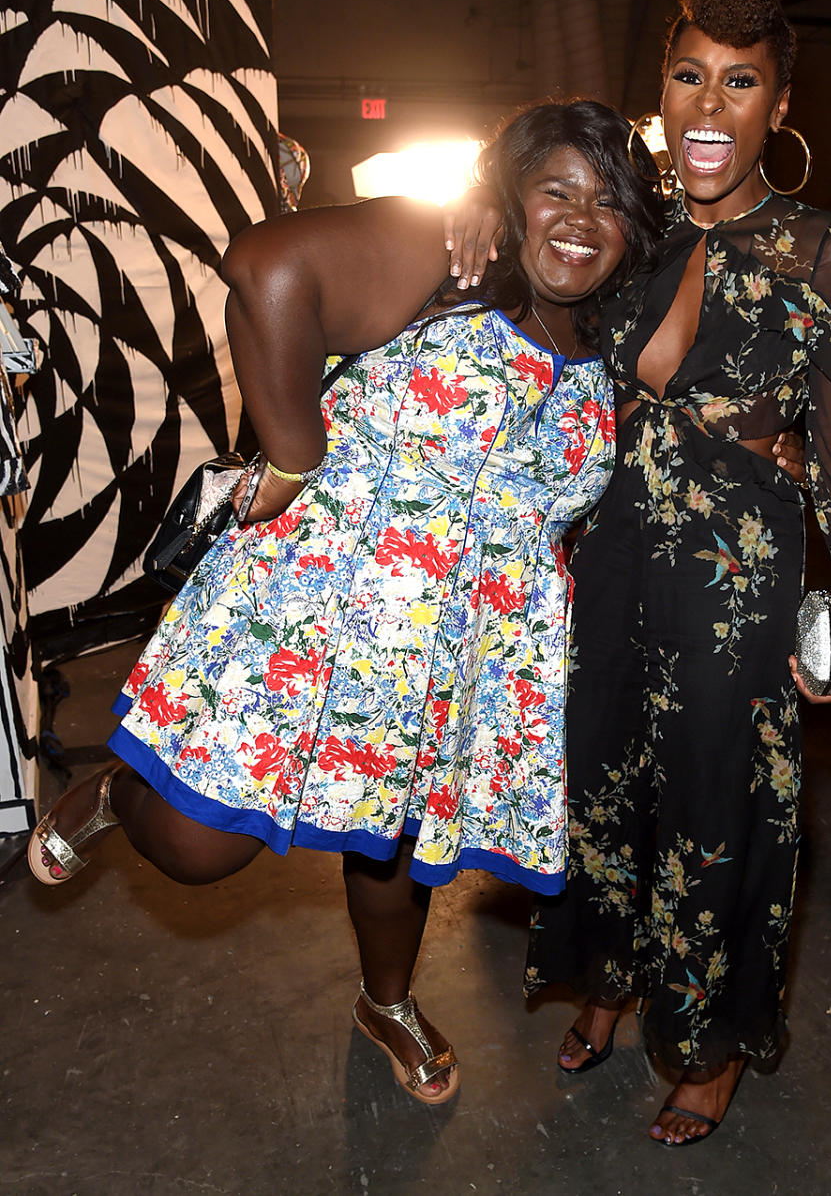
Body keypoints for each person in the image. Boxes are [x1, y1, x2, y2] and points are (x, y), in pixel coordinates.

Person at [26, 100, 665, 1104]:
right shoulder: (450, 263)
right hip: (319, 612)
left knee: (396, 852)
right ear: (511, 195)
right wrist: (292, 449)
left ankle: (387, 1002)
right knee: (197, 847)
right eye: (557, 189)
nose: (581, 217)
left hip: (455, 653)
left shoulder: (609, 332)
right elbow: (266, 267)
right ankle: (115, 793)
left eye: (610, 202)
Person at [449, 0, 831, 1146]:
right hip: (603, 564)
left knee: (718, 809)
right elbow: (538, 263)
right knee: (597, 787)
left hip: (735, 584)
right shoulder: (631, 229)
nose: (713, 107)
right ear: (662, 86)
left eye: (742, 81)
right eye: (692, 76)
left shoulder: (829, 253)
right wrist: (468, 207)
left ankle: (707, 1044)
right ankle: (608, 977)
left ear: (782, 103)